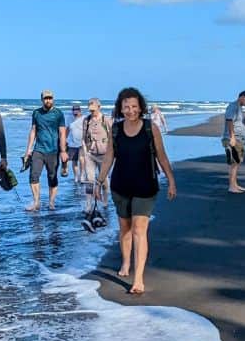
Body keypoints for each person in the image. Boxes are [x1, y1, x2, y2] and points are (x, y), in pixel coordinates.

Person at [96, 87, 177, 295]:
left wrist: (171, 180)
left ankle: (138, 279)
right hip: (120, 185)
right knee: (125, 229)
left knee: (140, 230)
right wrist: (99, 181)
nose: (130, 110)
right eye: (126, 107)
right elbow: (108, 157)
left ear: (141, 107)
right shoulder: (115, 129)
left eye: (134, 106)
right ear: (120, 109)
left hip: (145, 186)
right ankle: (125, 262)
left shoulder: (151, 128)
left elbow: (162, 155)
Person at [22, 89, 68, 211]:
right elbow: (33, 131)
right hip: (39, 149)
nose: (48, 100)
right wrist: (28, 150)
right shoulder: (36, 113)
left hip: (53, 150)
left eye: (50, 98)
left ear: (53, 99)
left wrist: (63, 151)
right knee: (33, 175)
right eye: (45, 98)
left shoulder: (58, 114)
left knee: (52, 177)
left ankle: (51, 203)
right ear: (42, 99)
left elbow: (62, 132)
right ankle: (36, 202)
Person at [80, 97, 112, 214]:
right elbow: (83, 137)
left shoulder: (106, 120)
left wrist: (112, 153)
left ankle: (105, 201)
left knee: (103, 180)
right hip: (90, 154)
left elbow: (113, 138)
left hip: (104, 155)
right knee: (89, 180)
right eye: (90, 110)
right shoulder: (86, 120)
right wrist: (85, 150)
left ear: (99, 107)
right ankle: (88, 204)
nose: (91, 112)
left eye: (93, 110)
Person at [223, 90, 245, 194]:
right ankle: (231, 186)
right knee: (234, 162)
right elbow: (229, 120)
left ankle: (235, 184)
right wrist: (232, 137)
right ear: (242, 97)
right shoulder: (233, 106)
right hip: (233, 138)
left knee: (238, 162)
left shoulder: (239, 108)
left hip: (239, 139)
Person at [64, 104, 85, 182]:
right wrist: (64, 140)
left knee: (81, 159)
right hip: (72, 143)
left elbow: (87, 130)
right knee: (74, 160)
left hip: (82, 143)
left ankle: (82, 175)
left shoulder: (84, 118)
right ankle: (76, 176)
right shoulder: (69, 118)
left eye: (77, 111)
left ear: (80, 111)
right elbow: (67, 129)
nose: (75, 112)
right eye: (74, 111)